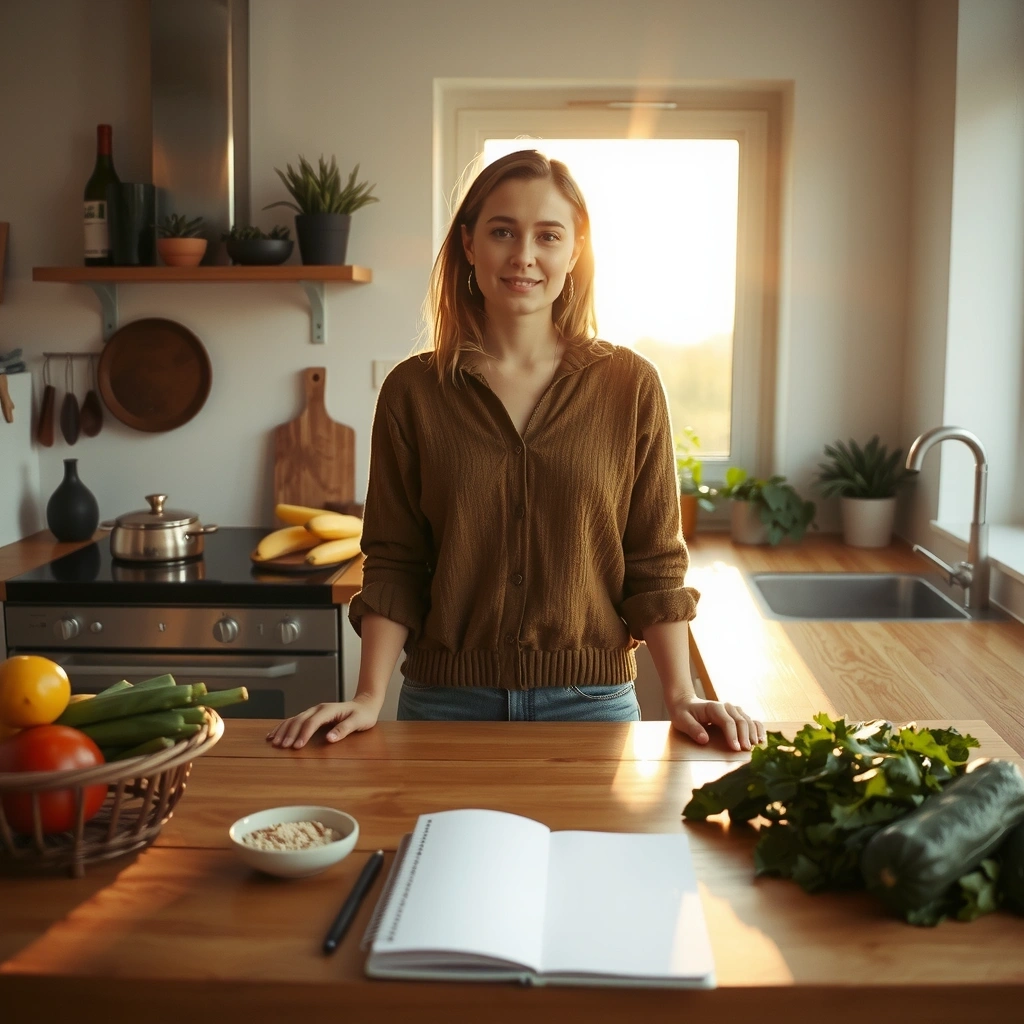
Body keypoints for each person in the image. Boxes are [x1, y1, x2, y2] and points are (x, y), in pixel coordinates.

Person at [267, 149, 766, 751]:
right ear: (469, 245)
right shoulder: (414, 391)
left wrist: (682, 696)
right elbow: (395, 561)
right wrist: (369, 697)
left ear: (574, 251)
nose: (524, 255)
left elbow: (655, 559)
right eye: (502, 231)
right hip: (445, 705)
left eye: (547, 235)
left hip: (592, 707)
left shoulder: (629, 385)